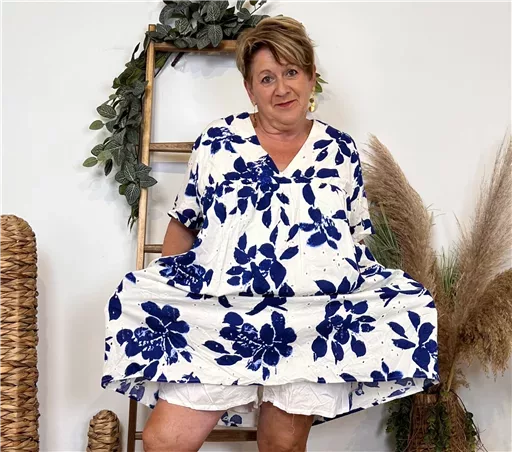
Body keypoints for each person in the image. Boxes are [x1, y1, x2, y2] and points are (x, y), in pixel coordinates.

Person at [101, 16, 439, 452]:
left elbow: (354, 240)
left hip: (309, 321)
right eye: (267, 78)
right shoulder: (218, 143)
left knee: (282, 445)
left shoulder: (340, 150)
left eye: (291, 72)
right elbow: (185, 220)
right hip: (225, 313)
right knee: (164, 441)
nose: (282, 88)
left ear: (311, 78)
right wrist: (172, 299)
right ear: (249, 89)